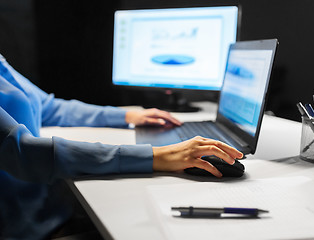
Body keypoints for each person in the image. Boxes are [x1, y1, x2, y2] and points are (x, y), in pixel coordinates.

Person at [0, 54, 243, 239]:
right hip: (26, 228)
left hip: (53, 209)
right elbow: (23, 152)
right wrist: (156, 156)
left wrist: (128, 116)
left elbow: (51, 108)